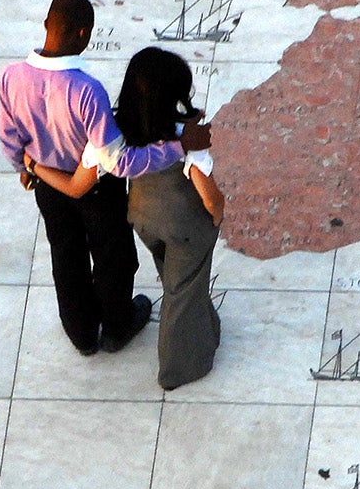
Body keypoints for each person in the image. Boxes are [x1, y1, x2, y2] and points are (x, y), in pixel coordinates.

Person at [0, 0, 213, 357]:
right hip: (98, 191)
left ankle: (81, 334)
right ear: (84, 34)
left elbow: (8, 139)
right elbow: (119, 162)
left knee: (66, 256)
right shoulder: (86, 91)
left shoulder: (10, 77)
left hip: (48, 185)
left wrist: (27, 169)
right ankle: (117, 326)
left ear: (47, 24)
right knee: (113, 257)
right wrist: (179, 147)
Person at [27, 47, 224, 391]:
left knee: (174, 277)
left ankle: (200, 323)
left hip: (144, 220)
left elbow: (76, 186)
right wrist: (217, 213)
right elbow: (206, 191)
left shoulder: (111, 132)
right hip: (184, 225)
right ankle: (177, 369)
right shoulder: (187, 134)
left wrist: (34, 166)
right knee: (182, 289)